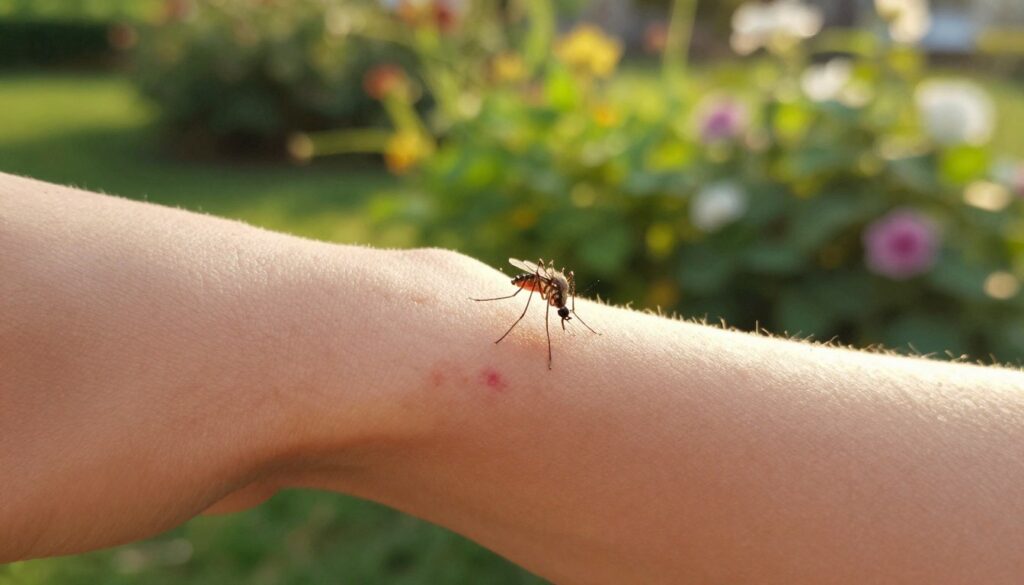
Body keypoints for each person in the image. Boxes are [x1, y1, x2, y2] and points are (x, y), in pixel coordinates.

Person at [2, 171, 1022, 584]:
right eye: (546, 296)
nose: (546, 296)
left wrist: (354, 348)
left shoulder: (544, 302)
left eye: (548, 297)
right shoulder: (532, 292)